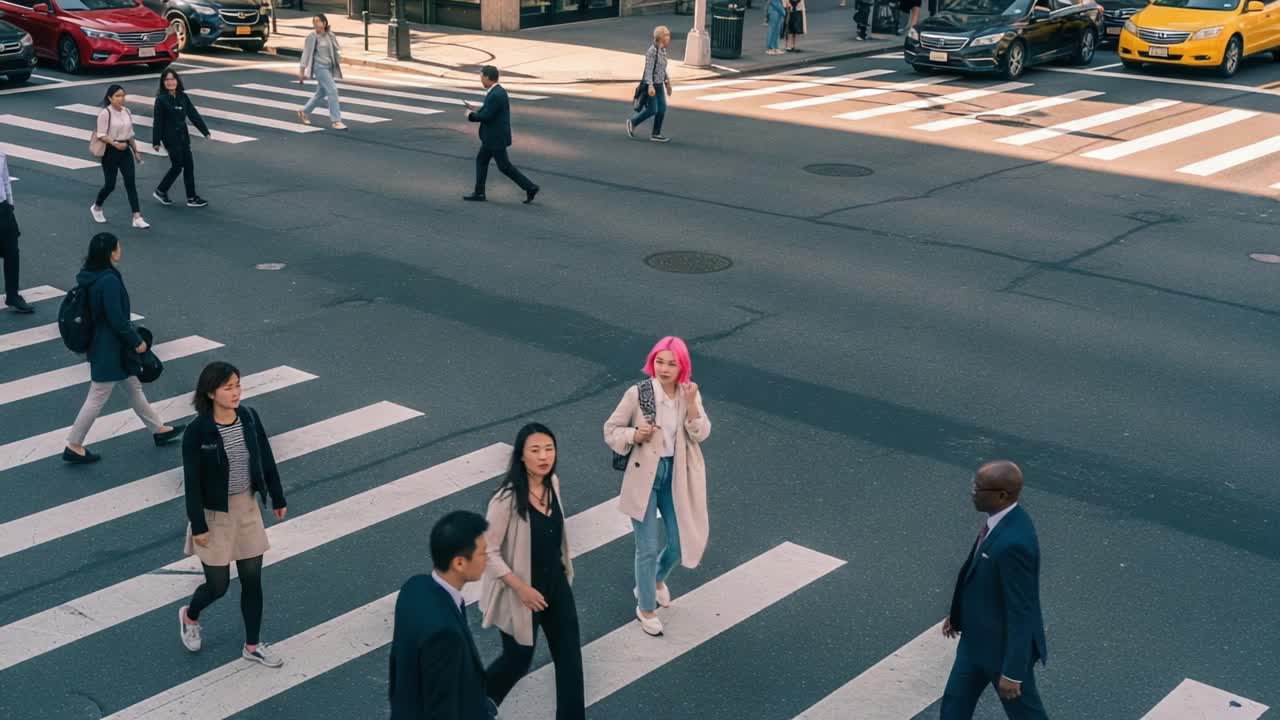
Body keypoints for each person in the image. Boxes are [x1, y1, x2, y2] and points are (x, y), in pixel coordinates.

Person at [178, 361, 288, 668]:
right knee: (218, 586)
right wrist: (198, 525)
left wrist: (277, 495)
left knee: (253, 580)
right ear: (211, 392)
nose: (236, 392)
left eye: (238, 385)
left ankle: (252, 646)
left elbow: (265, 456)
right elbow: (192, 483)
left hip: (247, 507)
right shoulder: (198, 431)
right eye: (228, 387)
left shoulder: (249, 418)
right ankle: (190, 615)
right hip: (214, 514)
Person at [603, 336, 711, 636]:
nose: (664, 368)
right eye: (659, 361)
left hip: (675, 474)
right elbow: (611, 430)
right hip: (644, 476)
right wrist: (634, 435)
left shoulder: (688, 394)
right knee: (647, 547)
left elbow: (701, 433)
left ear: (682, 366)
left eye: (671, 363)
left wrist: (691, 406)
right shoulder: (639, 394)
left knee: (679, 543)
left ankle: (655, 579)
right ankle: (646, 607)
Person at [480, 423, 585, 720]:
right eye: (535, 450)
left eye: (549, 449)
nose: (543, 456)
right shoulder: (506, 499)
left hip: (556, 585)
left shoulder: (553, 483)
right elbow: (488, 551)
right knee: (517, 659)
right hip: (521, 592)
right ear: (521, 457)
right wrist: (521, 589)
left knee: (570, 661)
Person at [941, 460, 1049, 720]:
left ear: (1002, 495)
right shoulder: (1000, 522)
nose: (972, 491)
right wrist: (957, 616)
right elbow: (975, 574)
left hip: (1002, 652)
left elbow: (1022, 610)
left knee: (1025, 714)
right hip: (974, 642)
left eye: (979, 488)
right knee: (954, 706)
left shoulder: (1015, 544)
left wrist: (1013, 672)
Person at [63, 233, 181, 464]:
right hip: (110, 347)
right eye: (118, 247)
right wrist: (136, 342)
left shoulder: (90, 274)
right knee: (97, 396)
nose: (120, 250)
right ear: (110, 252)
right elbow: (116, 318)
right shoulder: (108, 280)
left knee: (134, 388)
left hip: (105, 344)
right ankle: (73, 444)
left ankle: (159, 429)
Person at [389, 510, 495, 720]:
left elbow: (397, 663)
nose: (487, 558)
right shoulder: (444, 635)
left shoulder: (415, 586)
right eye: (482, 553)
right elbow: (442, 710)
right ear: (459, 563)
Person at [463, 66, 539, 204]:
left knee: (503, 166)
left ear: (487, 77)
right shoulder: (496, 91)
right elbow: (489, 110)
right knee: (486, 161)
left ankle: (530, 187)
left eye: (481, 77)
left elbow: (487, 116)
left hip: (494, 138)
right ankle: (480, 192)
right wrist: (475, 109)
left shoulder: (496, 94)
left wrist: (471, 115)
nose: (480, 80)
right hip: (494, 137)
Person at [90, 84, 149, 229]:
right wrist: (115, 144)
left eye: (122, 95)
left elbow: (130, 134)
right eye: (117, 96)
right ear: (110, 98)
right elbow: (101, 135)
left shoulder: (127, 111)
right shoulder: (105, 113)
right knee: (110, 185)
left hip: (125, 151)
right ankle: (97, 207)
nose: (121, 99)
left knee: (130, 182)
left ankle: (137, 216)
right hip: (110, 151)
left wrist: (135, 151)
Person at [151, 69, 211, 208]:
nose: (170, 82)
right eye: (167, 80)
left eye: (173, 79)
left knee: (189, 166)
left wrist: (205, 131)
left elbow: (193, 114)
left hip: (183, 136)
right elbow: (157, 121)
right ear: (163, 83)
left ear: (177, 81)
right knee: (177, 166)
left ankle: (191, 198)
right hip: (170, 138)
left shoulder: (183, 96)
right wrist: (156, 141)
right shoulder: (161, 100)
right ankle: (161, 190)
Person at [296, 14, 346, 131]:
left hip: (329, 67)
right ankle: (336, 121)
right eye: (314, 22)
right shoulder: (312, 37)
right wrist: (302, 70)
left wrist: (339, 57)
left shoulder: (330, 35)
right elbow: (306, 54)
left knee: (321, 93)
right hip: (319, 67)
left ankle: (304, 111)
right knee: (332, 90)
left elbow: (336, 50)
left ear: (324, 23)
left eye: (318, 21)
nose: (316, 24)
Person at [626, 26, 673, 142]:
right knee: (653, 110)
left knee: (662, 108)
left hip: (659, 84)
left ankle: (656, 133)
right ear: (661, 38)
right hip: (651, 86)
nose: (669, 38)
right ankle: (633, 122)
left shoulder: (663, 51)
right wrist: (650, 86)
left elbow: (662, 69)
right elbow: (648, 70)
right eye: (667, 35)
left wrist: (667, 82)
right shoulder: (652, 52)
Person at [0, 151, 32, 314]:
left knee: (12, 253)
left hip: (3, 209)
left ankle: (12, 295)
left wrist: (10, 203)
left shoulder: (1, 154)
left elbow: (4, 180)